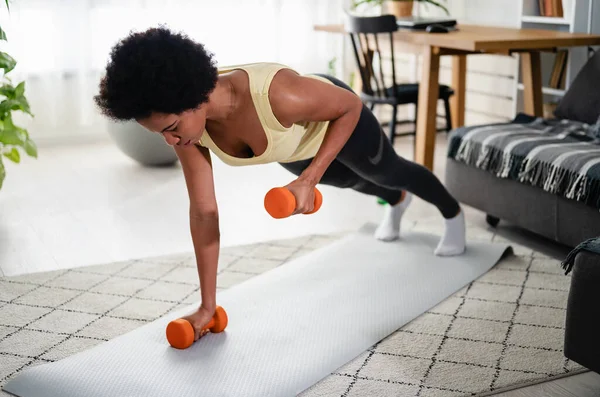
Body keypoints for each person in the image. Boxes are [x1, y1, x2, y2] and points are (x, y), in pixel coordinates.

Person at [94, 26, 466, 341]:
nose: (170, 142)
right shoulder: (189, 131)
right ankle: (396, 200)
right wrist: (208, 305)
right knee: (353, 182)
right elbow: (204, 213)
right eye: (162, 134)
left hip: (335, 118)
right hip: (293, 148)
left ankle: (451, 212)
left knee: (385, 170)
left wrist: (310, 178)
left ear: (193, 98)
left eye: (171, 129)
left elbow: (349, 106)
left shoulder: (277, 94)